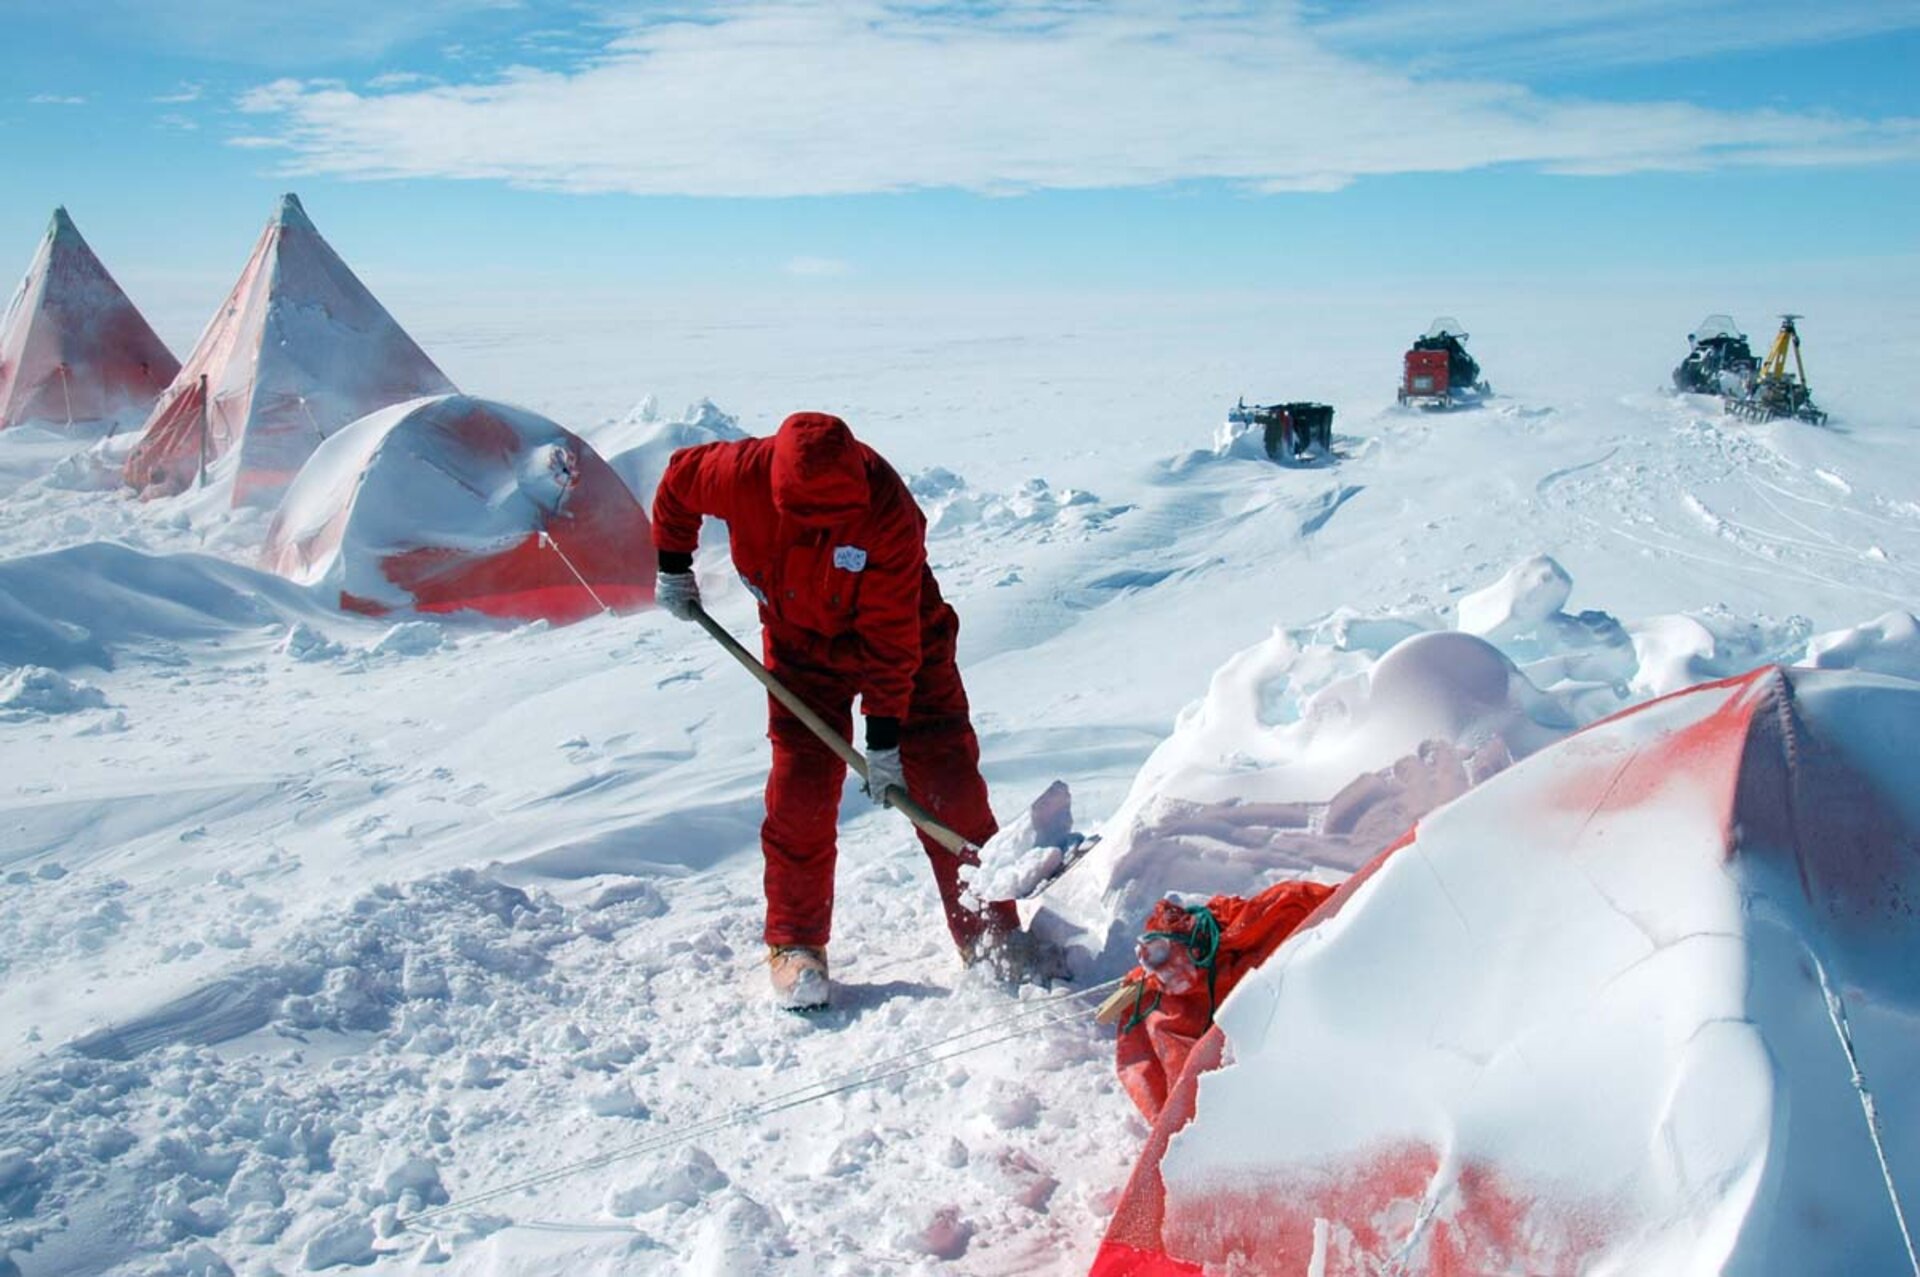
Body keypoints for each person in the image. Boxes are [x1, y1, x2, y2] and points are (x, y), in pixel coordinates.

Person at [650, 411, 1026, 1010]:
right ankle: (795, 943)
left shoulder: (889, 512)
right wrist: (673, 564)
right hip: (801, 650)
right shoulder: (737, 474)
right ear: (779, 493)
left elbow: (890, 638)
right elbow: (675, 487)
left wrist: (883, 742)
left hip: (910, 650)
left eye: (838, 519)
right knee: (799, 793)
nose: (828, 531)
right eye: (812, 521)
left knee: (948, 787)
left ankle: (989, 929)